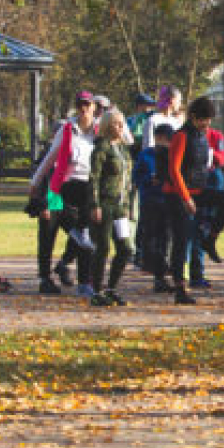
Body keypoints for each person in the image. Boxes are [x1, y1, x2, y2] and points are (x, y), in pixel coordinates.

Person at [31, 91, 100, 296]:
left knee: (83, 234)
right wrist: (35, 183)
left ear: (93, 107)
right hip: (59, 187)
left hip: (86, 189)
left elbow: (127, 139)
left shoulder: (99, 131)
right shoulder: (68, 129)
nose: (84, 109)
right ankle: (45, 277)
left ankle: (84, 281)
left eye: (87, 105)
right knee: (48, 227)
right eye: (80, 105)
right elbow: (50, 158)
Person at [161, 97, 221, 304]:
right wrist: (186, 198)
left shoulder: (202, 136)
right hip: (178, 194)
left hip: (199, 189)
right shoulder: (181, 136)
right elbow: (174, 169)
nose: (208, 124)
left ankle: (211, 238)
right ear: (194, 117)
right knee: (182, 240)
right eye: (205, 119)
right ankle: (180, 288)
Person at [87, 110, 135, 306]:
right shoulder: (102, 148)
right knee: (103, 247)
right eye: (116, 124)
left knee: (125, 248)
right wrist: (95, 204)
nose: (120, 127)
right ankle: (96, 291)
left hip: (120, 206)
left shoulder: (123, 149)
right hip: (105, 203)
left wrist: (127, 205)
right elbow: (94, 178)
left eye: (122, 124)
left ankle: (112, 287)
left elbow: (127, 179)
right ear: (107, 126)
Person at [134, 122, 174, 292]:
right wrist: (149, 180)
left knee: (166, 237)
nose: (161, 142)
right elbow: (136, 176)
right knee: (150, 236)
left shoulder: (174, 154)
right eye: (159, 138)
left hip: (168, 199)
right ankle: (149, 264)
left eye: (166, 139)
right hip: (150, 200)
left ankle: (161, 275)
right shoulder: (146, 155)